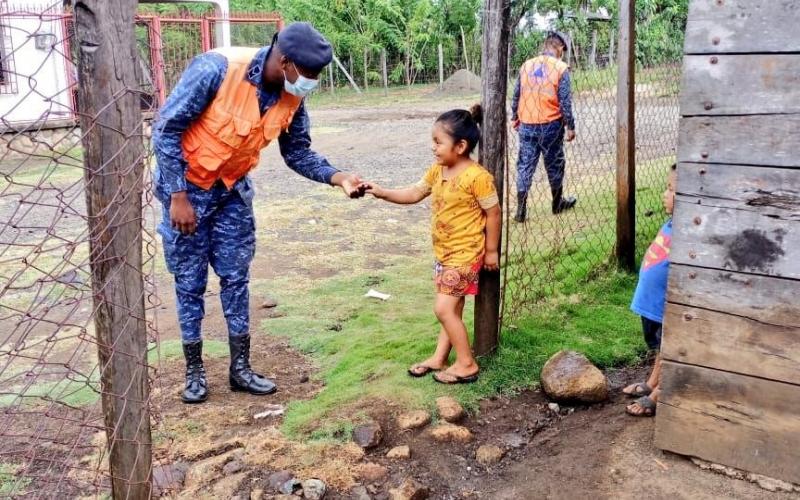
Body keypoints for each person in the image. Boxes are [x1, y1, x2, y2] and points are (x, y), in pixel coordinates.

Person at [152, 22, 365, 404]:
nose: (312, 82)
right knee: (189, 281)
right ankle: (194, 371)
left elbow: (297, 151)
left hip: (232, 192)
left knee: (236, 277)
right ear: (285, 62)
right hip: (188, 192)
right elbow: (166, 130)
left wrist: (338, 177)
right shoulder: (217, 69)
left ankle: (241, 368)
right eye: (310, 73)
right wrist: (177, 196)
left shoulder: (292, 94)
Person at [362, 105, 501, 384]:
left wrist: (491, 251)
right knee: (452, 309)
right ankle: (440, 358)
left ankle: (466, 364)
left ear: (460, 146)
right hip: (444, 253)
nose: (433, 147)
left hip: (465, 254)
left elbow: (493, 213)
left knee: (443, 309)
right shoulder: (438, 171)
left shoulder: (478, 177)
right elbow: (415, 193)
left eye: (438, 142)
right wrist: (382, 193)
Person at [623, 163, 676, 417]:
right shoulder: (671, 223)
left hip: (664, 306)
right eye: (667, 188)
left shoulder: (688, 231)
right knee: (658, 347)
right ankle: (653, 381)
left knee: (669, 348)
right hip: (651, 304)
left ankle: (660, 393)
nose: (665, 194)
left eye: (671, 190)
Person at [510, 31, 577, 222]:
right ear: (560, 48)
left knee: (525, 165)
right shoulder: (561, 68)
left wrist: (514, 116)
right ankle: (557, 203)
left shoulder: (526, 65)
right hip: (551, 125)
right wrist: (570, 126)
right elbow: (565, 101)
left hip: (527, 124)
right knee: (555, 163)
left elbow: (516, 94)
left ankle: (521, 209)